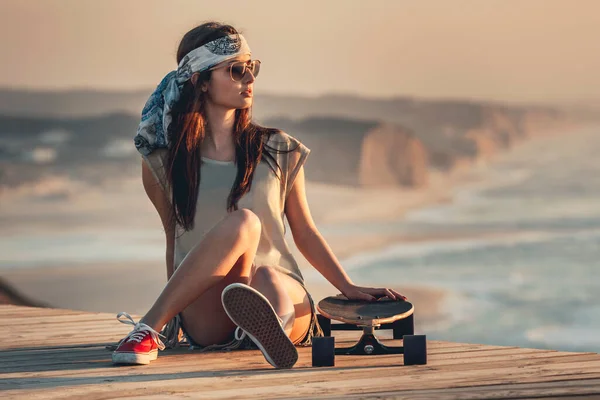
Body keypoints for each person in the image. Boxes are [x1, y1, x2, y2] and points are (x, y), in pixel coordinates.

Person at [112, 21, 406, 369]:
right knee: (245, 224)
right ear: (200, 81)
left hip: (279, 289)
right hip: (210, 310)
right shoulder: (165, 162)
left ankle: (269, 330)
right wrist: (177, 318)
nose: (249, 80)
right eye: (236, 70)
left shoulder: (278, 149)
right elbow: (173, 240)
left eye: (252, 68)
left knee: (266, 275)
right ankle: (154, 328)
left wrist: (347, 285)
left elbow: (305, 231)